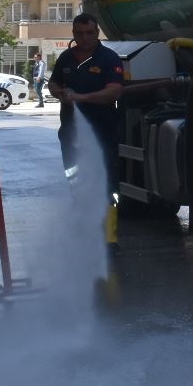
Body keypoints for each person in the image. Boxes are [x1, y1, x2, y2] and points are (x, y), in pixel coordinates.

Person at [47, 13, 125, 251]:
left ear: (97, 33)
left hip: (103, 132)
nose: (84, 38)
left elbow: (114, 92)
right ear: (73, 33)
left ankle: (109, 236)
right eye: (79, 33)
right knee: (75, 180)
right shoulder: (66, 58)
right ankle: (83, 229)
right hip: (71, 133)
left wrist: (83, 98)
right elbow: (53, 83)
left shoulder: (108, 59)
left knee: (107, 184)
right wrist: (59, 92)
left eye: (89, 33)